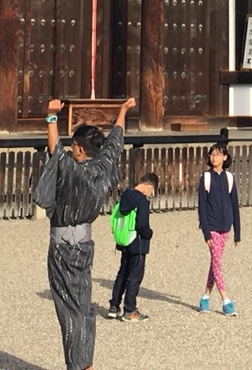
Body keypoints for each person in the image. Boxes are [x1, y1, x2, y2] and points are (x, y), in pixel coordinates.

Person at [32, 95, 134, 370]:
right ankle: (85, 361)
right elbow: (115, 142)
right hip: (84, 245)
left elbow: (56, 153)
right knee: (84, 305)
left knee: (69, 307)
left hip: (63, 247)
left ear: (78, 148)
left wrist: (51, 117)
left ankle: (78, 366)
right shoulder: (101, 169)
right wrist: (122, 111)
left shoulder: (74, 171)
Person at [196, 140, 242, 315]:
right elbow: (202, 207)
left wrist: (237, 231)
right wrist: (206, 231)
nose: (213, 157)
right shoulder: (205, 178)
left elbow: (234, 205)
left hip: (225, 226)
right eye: (211, 154)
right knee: (217, 263)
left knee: (214, 263)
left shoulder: (229, 178)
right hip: (212, 226)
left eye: (217, 154)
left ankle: (205, 298)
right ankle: (226, 300)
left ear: (224, 157)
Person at [106, 172, 157, 322]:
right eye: (152, 190)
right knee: (135, 276)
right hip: (137, 242)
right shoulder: (141, 201)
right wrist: (149, 234)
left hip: (124, 240)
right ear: (148, 186)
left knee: (122, 273)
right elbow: (142, 225)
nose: (151, 194)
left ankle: (114, 306)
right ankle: (129, 310)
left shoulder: (125, 195)